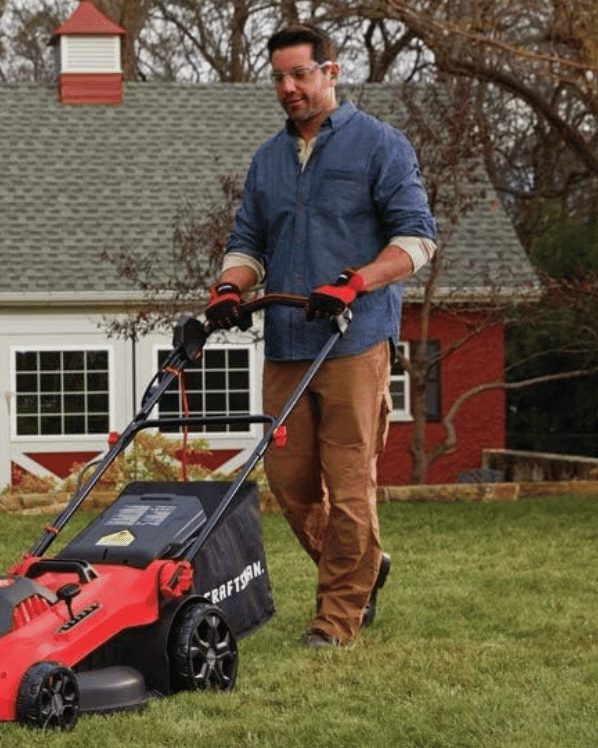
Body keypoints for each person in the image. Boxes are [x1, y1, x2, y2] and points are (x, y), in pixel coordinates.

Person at [206, 24, 437, 648]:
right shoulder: (268, 160)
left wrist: (356, 281)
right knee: (290, 482)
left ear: (331, 73)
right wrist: (230, 286)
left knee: (349, 480)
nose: (288, 88)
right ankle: (367, 567)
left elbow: (416, 240)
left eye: (300, 75)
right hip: (285, 341)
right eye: (279, 78)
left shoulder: (380, 146)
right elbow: (248, 243)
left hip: (354, 342)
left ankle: (337, 619)